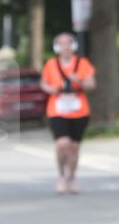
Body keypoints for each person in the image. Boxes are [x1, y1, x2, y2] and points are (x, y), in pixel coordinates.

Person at [40, 33, 96, 194]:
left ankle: (71, 177)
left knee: (74, 147)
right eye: (62, 44)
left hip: (79, 111)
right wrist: (50, 89)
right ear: (57, 47)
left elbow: (92, 85)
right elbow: (44, 83)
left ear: (74, 46)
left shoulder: (82, 63)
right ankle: (61, 176)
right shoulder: (51, 64)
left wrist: (78, 80)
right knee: (62, 143)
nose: (65, 47)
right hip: (57, 110)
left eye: (68, 43)